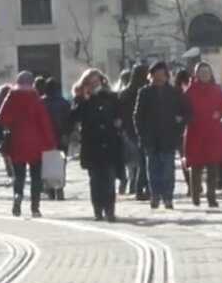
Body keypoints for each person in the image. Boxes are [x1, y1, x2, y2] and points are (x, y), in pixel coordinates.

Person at [0, 72, 56, 218]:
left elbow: (1, 118)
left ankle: (18, 197)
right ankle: (35, 207)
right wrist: (51, 142)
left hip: (17, 141)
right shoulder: (35, 98)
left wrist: (12, 124)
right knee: (36, 176)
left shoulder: (11, 96)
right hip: (36, 142)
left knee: (19, 175)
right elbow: (44, 122)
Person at [134, 62, 188, 210]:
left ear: (166, 76)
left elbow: (184, 113)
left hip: (168, 137)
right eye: (155, 75)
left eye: (161, 75)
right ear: (150, 77)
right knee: (153, 170)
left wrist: (178, 125)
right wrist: (142, 133)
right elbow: (138, 116)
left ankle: (168, 197)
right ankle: (155, 195)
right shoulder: (144, 93)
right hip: (150, 138)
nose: (158, 78)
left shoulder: (174, 93)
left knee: (167, 171)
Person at [71, 69, 122, 222]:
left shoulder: (111, 97)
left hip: (110, 143)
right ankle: (98, 210)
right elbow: (73, 117)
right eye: (91, 83)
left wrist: (119, 122)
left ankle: (110, 210)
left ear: (102, 81)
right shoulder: (82, 101)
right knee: (96, 180)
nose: (95, 85)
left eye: (97, 81)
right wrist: (84, 100)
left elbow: (121, 113)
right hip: (92, 146)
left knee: (109, 179)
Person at [183, 62, 222, 208]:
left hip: (213, 132)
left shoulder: (216, 90)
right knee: (196, 167)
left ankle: (211, 197)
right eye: (201, 73)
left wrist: (219, 113)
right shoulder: (190, 91)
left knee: (213, 166)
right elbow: (184, 111)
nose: (205, 75)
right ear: (196, 74)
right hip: (195, 133)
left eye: (207, 72)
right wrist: (191, 118)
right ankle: (195, 195)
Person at [38, 77, 72, 201]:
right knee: (61, 162)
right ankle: (60, 188)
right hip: (62, 136)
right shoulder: (64, 102)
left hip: (45, 137)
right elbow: (70, 121)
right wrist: (67, 134)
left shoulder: (41, 102)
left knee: (47, 163)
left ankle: (50, 189)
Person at [119, 64, 150, 200]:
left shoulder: (125, 93)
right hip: (142, 129)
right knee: (143, 160)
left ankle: (136, 185)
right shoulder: (146, 91)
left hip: (129, 130)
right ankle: (143, 187)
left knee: (136, 161)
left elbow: (120, 113)